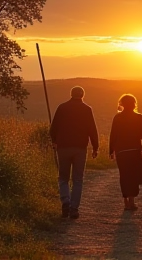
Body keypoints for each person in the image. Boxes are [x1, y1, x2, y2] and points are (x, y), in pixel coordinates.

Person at [50, 86, 99, 219]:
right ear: (83, 95)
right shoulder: (87, 109)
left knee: (63, 178)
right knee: (78, 179)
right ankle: (74, 209)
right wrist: (95, 147)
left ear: (71, 94)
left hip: (63, 147)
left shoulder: (62, 107)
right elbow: (92, 130)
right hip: (80, 149)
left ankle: (65, 200)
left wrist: (54, 140)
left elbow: (53, 127)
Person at [109, 94, 142, 211]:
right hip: (135, 150)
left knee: (124, 175)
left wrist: (111, 150)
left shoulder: (117, 117)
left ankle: (125, 200)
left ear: (121, 104)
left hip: (121, 151)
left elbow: (113, 134)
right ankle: (132, 201)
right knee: (134, 175)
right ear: (134, 104)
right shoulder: (140, 117)